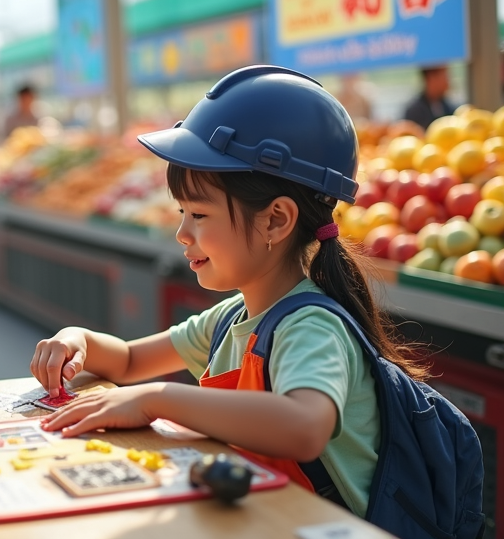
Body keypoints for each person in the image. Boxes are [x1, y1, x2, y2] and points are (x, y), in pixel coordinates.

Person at [29, 65, 431, 519]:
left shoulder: (312, 327)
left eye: (199, 215)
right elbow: (127, 360)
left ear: (276, 220)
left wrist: (157, 399)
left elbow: (303, 427)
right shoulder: (230, 320)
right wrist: (75, 339)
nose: (181, 233)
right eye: (181, 212)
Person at [402, 65, 455, 130]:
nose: (448, 81)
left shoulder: (450, 108)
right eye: (445, 75)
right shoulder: (414, 112)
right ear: (431, 77)